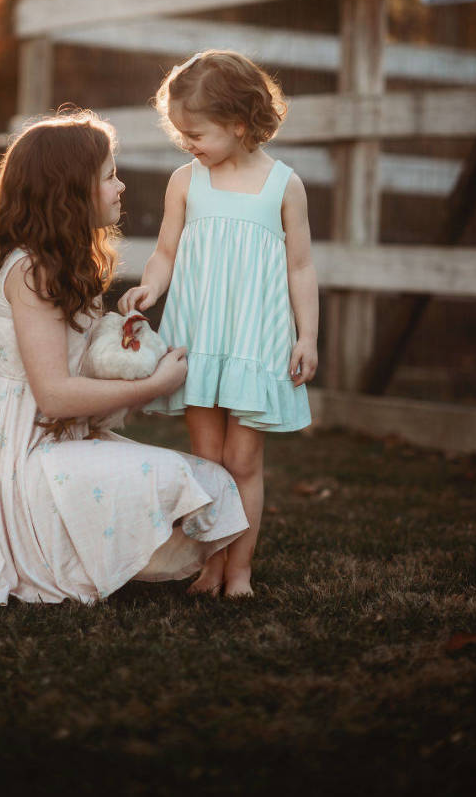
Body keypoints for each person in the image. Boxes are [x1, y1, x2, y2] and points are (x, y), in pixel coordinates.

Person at [0, 110, 248, 611]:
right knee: (188, 482)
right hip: (19, 458)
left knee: (201, 483)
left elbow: (74, 362)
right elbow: (54, 394)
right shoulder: (34, 272)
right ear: (69, 189)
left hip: (47, 440)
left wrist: (119, 339)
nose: (121, 187)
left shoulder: (60, 264)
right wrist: (156, 384)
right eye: (109, 176)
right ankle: (41, 544)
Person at [118, 51, 318, 598]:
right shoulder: (186, 181)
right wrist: (149, 288)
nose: (188, 144)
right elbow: (164, 252)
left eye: (197, 133)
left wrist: (307, 336)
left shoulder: (284, 186)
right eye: (180, 133)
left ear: (239, 123)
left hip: (256, 339)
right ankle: (209, 566)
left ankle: (241, 570)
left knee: (242, 459)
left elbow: (300, 267)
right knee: (207, 461)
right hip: (201, 338)